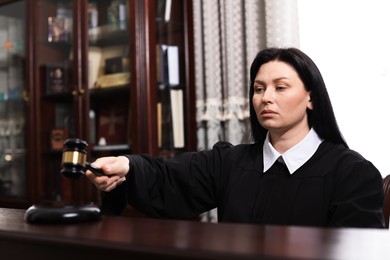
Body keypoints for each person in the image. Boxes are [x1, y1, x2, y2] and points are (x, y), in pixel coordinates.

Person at [86, 47, 385, 228]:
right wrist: (125, 165)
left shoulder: (352, 174)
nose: (266, 98)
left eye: (280, 88)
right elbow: (169, 176)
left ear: (311, 98)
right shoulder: (230, 162)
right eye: (258, 89)